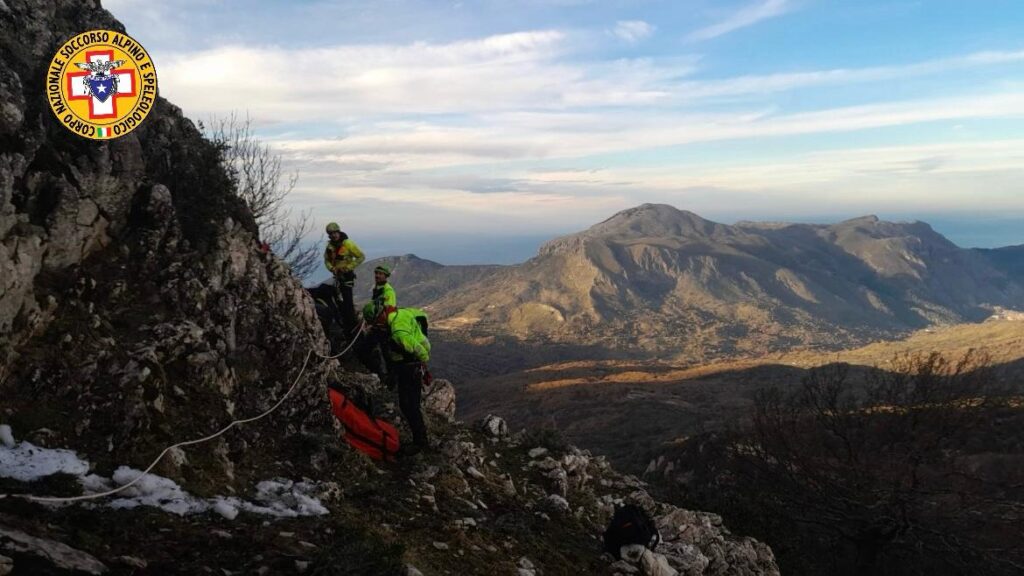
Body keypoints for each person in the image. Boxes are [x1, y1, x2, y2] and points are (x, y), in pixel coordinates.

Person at [374, 306, 432, 452]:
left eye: (376, 321)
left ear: (382, 315)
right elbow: (422, 315)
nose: (377, 325)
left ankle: (420, 442)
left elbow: (413, 346)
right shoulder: (402, 313)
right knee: (411, 405)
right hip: (413, 367)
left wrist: (422, 359)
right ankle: (420, 440)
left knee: (408, 405)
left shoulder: (398, 331)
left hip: (410, 368)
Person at [323, 222, 364, 333]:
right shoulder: (330, 246)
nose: (333, 236)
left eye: (335, 233)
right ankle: (345, 320)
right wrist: (332, 268)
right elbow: (326, 260)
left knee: (347, 299)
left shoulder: (348, 244)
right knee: (338, 299)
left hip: (347, 276)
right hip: (337, 276)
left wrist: (348, 267)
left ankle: (351, 323)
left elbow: (361, 257)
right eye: (331, 234)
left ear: (339, 232)